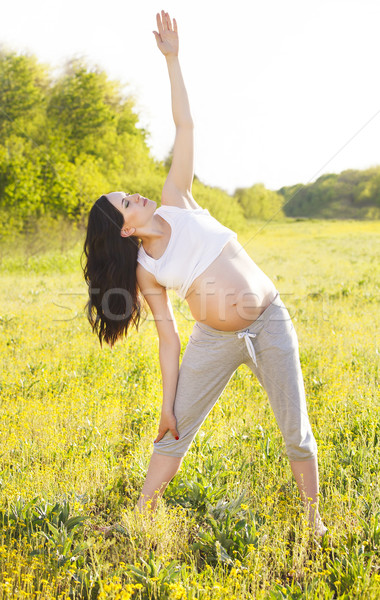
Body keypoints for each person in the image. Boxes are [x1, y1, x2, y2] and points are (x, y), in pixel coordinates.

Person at [82, 10, 326, 536]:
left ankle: (315, 523)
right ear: (125, 231)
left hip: (269, 321)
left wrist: (173, 60)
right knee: (173, 432)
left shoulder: (177, 200)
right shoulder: (146, 270)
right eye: (126, 203)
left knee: (296, 432)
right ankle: (139, 516)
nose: (136, 195)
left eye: (129, 193)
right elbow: (168, 341)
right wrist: (166, 404)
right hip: (212, 339)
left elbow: (185, 125)